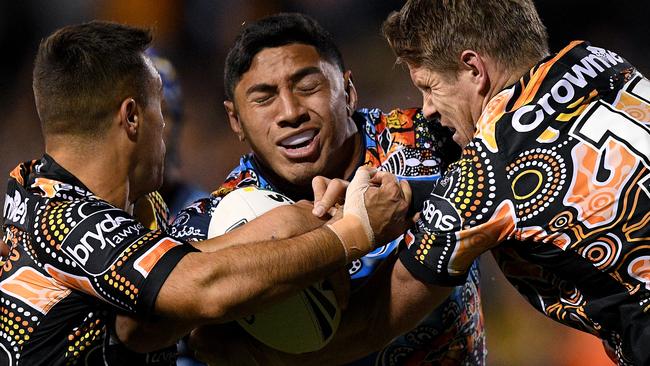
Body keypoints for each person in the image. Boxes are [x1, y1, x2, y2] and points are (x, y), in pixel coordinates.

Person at [0, 20, 411, 365]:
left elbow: (163, 291)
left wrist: (293, 222)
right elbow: (200, 288)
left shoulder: (70, 194)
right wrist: (353, 234)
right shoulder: (62, 221)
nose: (170, 130)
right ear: (132, 118)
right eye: (160, 107)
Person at [180, 13, 485, 365]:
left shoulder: (430, 136)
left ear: (348, 91)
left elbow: (501, 167)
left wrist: (409, 194)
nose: (291, 112)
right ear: (236, 121)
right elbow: (170, 295)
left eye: (308, 87)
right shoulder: (221, 215)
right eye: (263, 99)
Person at [379, 0, 650, 365]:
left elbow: (382, 320)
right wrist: (412, 193)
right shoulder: (598, 59)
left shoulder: (487, 165)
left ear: (474, 68)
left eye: (429, 86)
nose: (427, 107)